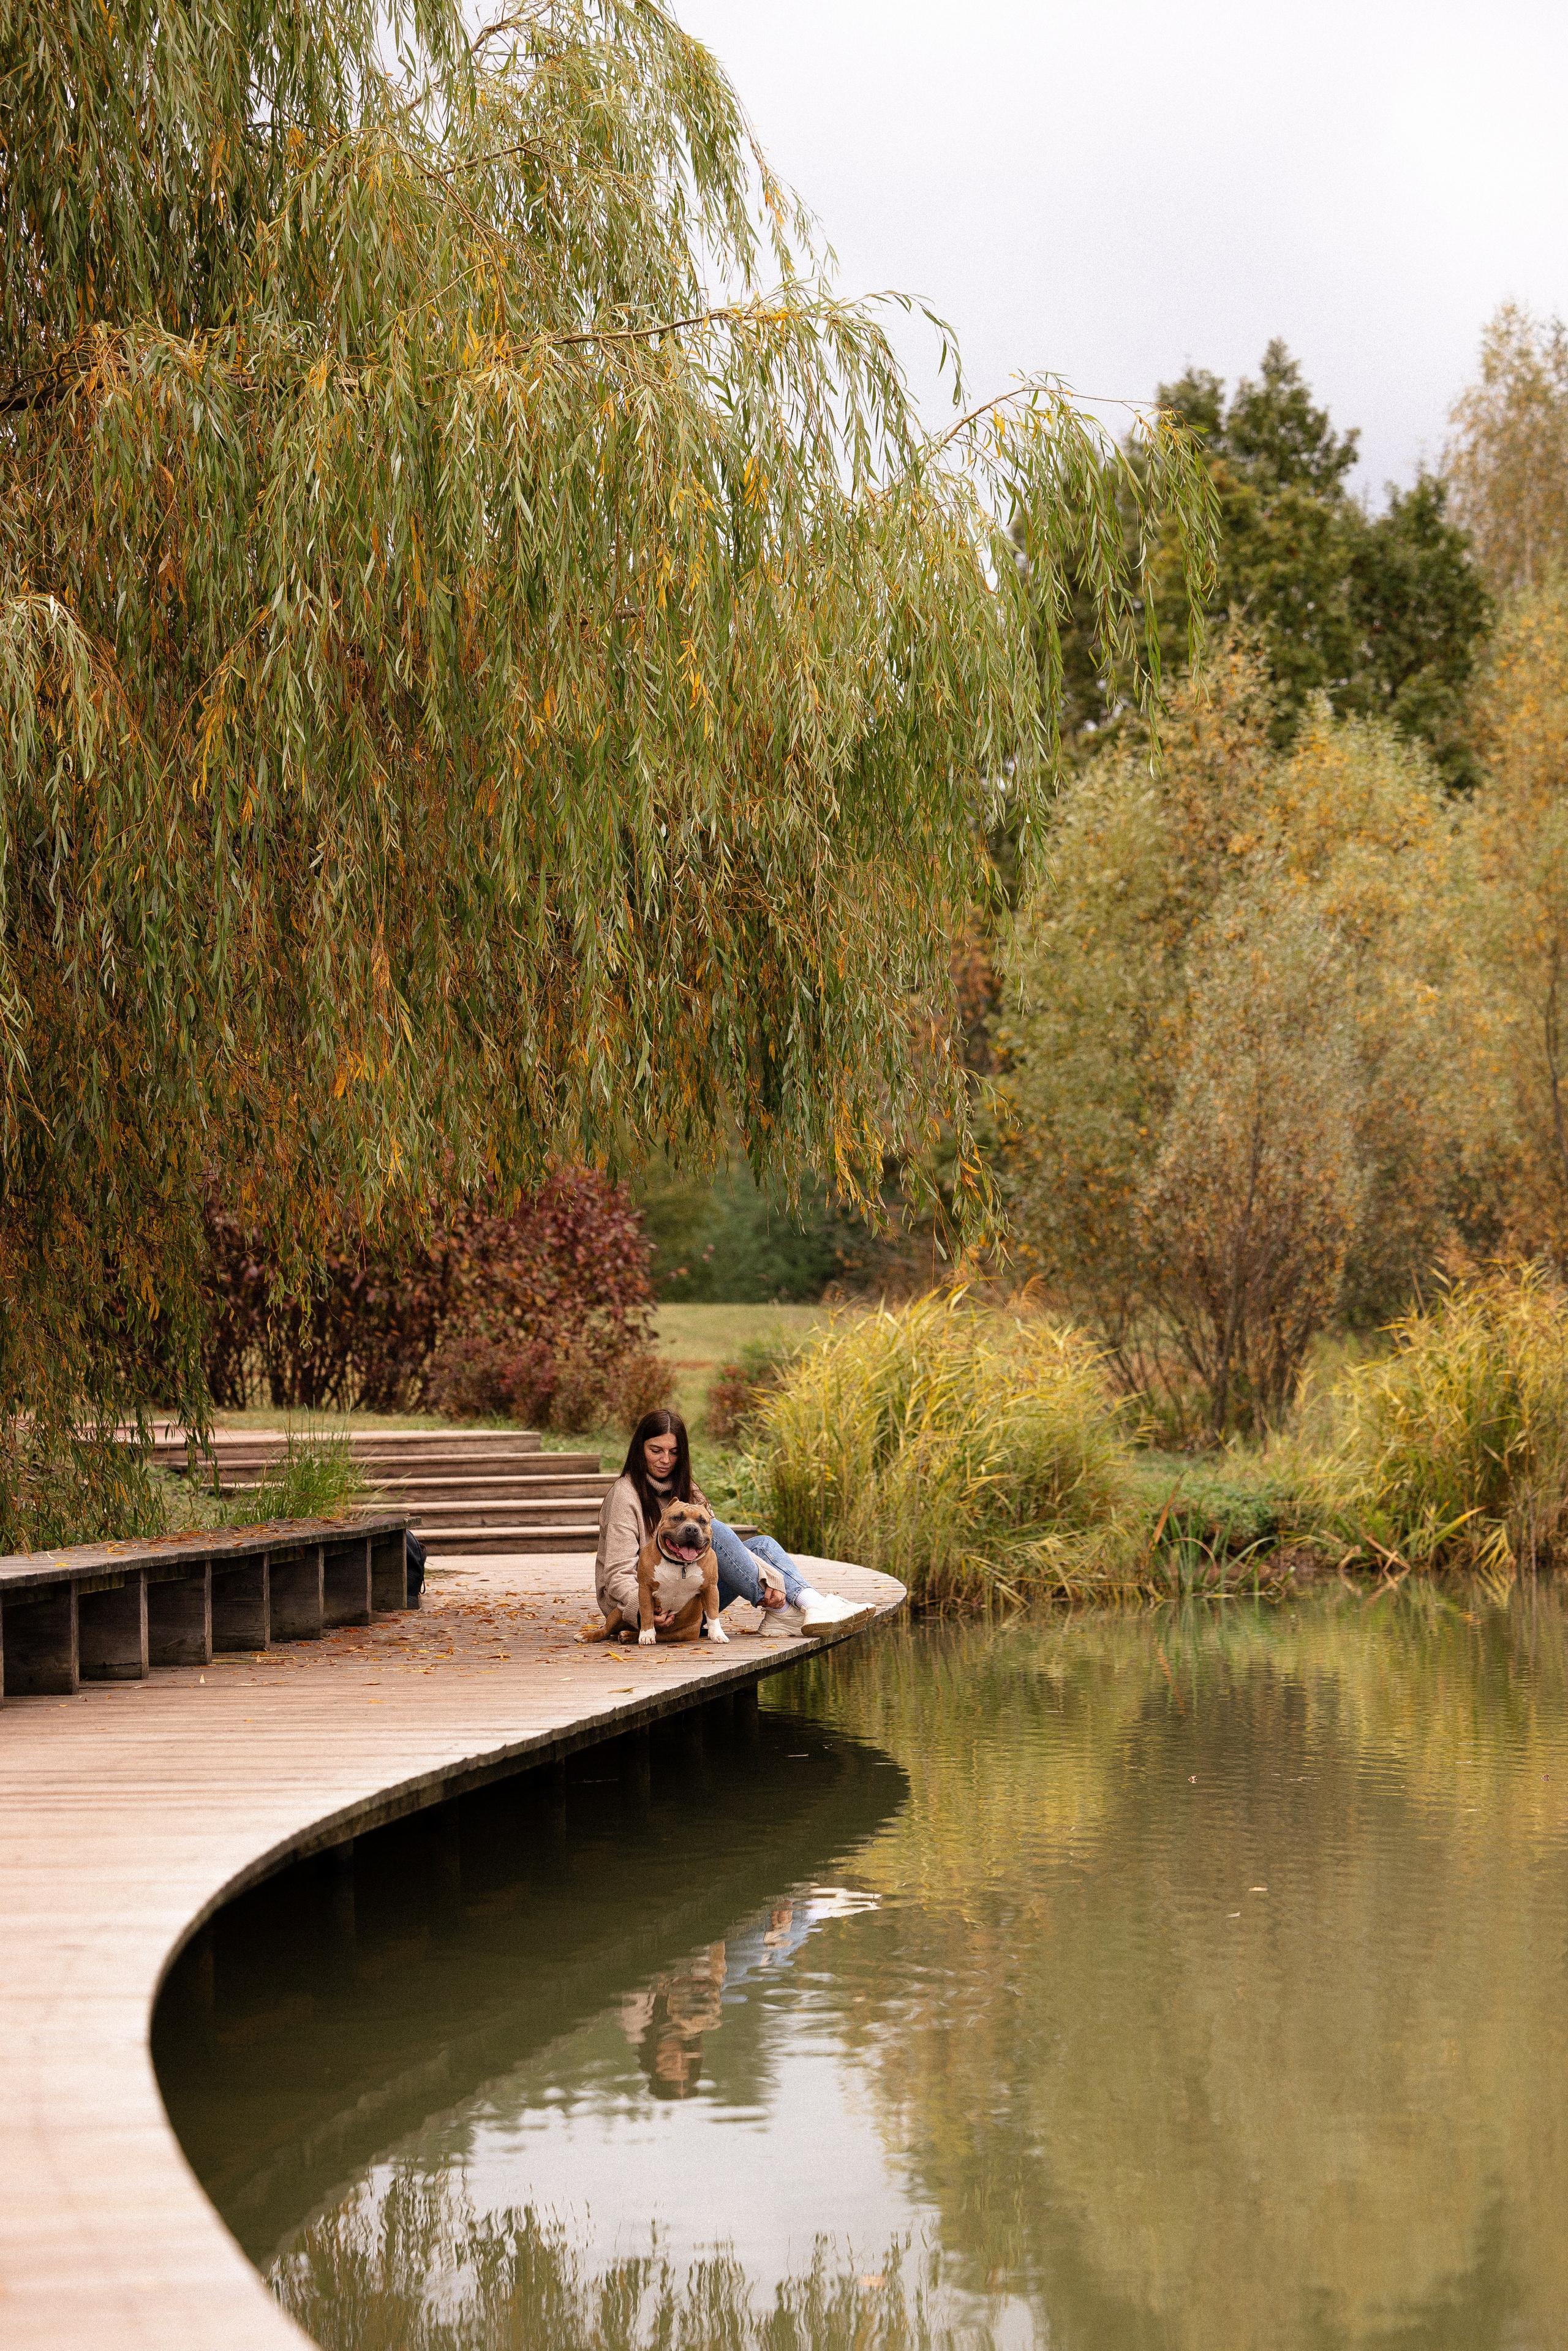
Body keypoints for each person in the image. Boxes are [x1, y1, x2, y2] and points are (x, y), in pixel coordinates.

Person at [583, 1407, 872, 1643]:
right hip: (647, 1604)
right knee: (718, 1531)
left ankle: (804, 1603)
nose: (665, 1460)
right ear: (639, 1449)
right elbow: (617, 1572)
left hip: (688, 1594)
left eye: (673, 1452)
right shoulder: (625, 1496)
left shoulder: (688, 1489)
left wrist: (771, 1580)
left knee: (761, 1545)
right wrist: (640, 1610)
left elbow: (723, 1551)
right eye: (656, 1450)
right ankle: (802, 1607)